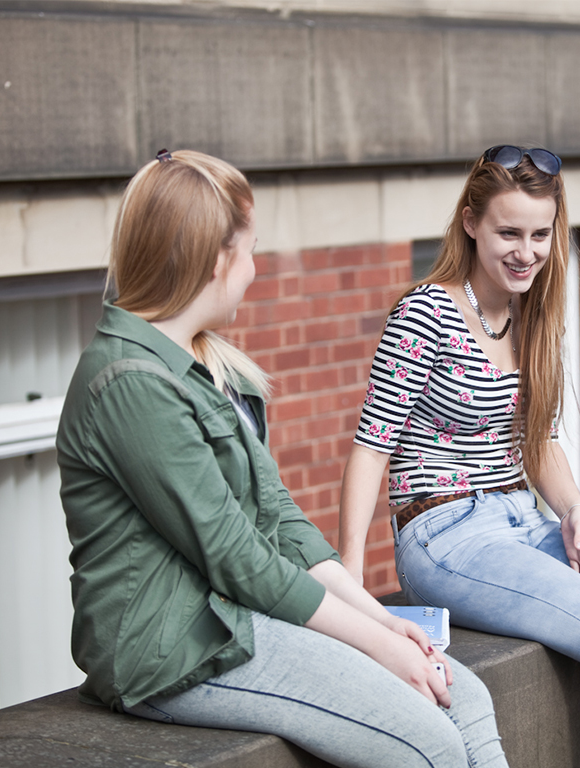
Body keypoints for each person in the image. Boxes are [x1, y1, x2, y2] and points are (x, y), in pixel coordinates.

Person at [56, 149, 508, 768]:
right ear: (214, 260)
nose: (253, 270)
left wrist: (381, 619)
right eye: (248, 250)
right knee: (426, 744)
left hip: (234, 618)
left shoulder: (205, 365)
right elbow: (234, 554)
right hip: (172, 650)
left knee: (468, 696)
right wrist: (375, 643)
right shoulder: (131, 382)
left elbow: (276, 517)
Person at [338, 145, 580, 768]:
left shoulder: (532, 313)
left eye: (539, 234)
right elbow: (371, 446)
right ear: (471, 223)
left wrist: (574, 509)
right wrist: (351, 581)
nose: (526, 251)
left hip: (527, 521)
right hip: (447, 537)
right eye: (508, 232)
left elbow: (540, 440)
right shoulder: (425, 312)